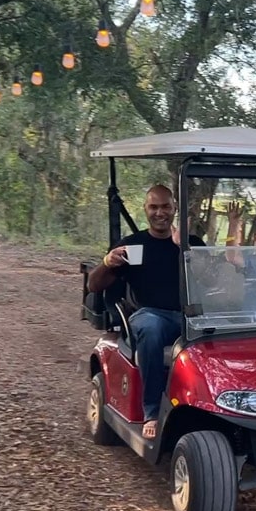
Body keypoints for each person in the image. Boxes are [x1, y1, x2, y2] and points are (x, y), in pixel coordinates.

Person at [86, 184, 200, 440]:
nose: (160, 213)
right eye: (154, 207)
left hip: (188, 317)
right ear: (146, 209)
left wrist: (186, 250)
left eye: (166, 206)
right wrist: (107, 262)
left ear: (175, 208)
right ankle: (152, 411)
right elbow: (94, 285)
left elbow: (211, 282)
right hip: (148, 315)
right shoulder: (133, 245)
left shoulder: (190, 243)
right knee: (151, 328)